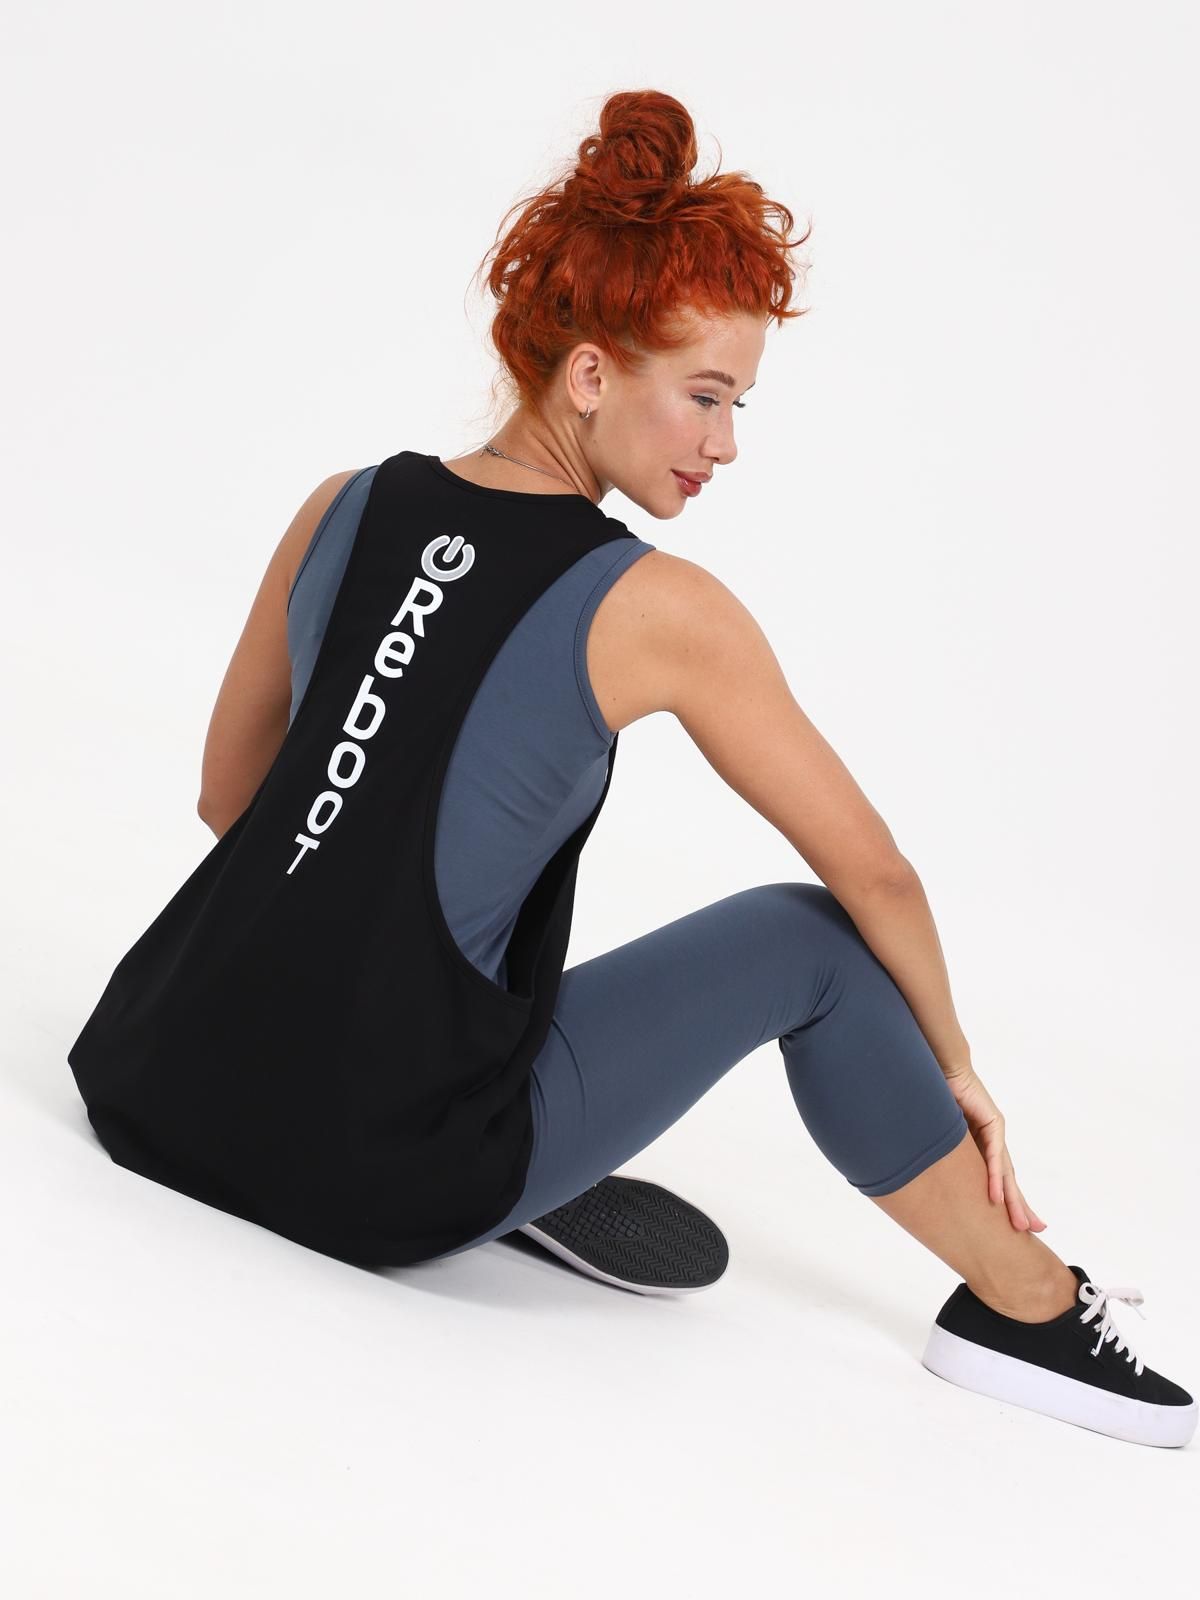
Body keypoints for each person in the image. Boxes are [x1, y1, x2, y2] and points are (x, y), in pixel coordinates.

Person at [72, 89, 1194, 1449]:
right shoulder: (658, 607)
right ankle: (1024, 1303)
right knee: (809, 940)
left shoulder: (347, 501)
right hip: (374, 1172)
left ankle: (469, 1103)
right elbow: (877, 875)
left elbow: (227, 798)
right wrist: (957, 1064)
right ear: (593, 376)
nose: (725, 443)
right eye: (705, 398)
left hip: (159, 1079)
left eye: (738, 404)